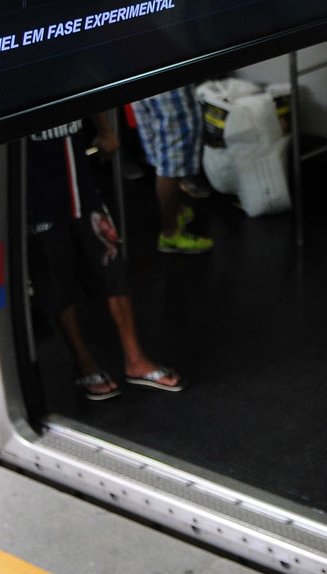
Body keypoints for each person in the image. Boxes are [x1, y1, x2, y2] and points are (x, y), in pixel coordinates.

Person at [27, 115, 185, 400]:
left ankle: (135, 360)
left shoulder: (61, 71)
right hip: (39, 203)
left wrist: (105, 130)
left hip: (84, 193)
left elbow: (85, 83)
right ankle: (84, 363)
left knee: (113, 266)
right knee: (56, 281)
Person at [129, 87, 214, 254]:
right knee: (170, 161)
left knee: (161, 149)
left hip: (142, 76)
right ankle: (171, 234)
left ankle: (176, 210)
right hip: (165, 84)